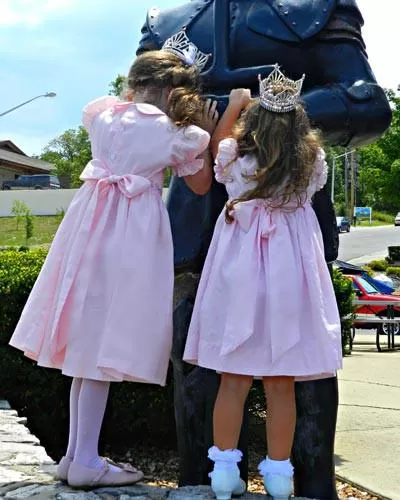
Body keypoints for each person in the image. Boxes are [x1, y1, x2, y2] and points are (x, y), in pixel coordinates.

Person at [136, 2, 391, 496]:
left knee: (298, 369)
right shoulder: (162, 22)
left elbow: (367, 103)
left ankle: (308, 482)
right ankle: (209, 478)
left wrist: (258, 120)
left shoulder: (319, 6)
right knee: (197, 365)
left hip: (260, 230)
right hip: (196, 218)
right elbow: (142, 105)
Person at [9, 39, 218, 490]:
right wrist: (208, 128)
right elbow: (200, 185)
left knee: (85, 345)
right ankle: (83, 458)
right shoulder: (176, 133)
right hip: (131, 229)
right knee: (102, 346)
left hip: (88, 225)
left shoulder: (102, 116)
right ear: (173, 92)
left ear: (134, 84)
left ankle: (75, 454)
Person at [183, 70, 343, 499]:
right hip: (289, 273)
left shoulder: (235, 152)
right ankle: (277, 476)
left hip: (239, 272)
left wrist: (235, 104)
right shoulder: (311, 160)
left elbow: (216, 154)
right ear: (298, 120)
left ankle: (222, 473)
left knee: (232, 377)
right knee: (281, 381)